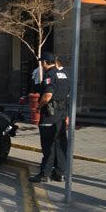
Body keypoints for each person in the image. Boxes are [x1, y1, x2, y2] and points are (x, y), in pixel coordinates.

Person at [29, 52, 70, 183]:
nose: (41, 64)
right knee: (60, 144)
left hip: (50, 115)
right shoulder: (64, 74)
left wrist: (39, 106)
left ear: (45, 62)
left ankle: (45, 174)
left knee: (48, 145)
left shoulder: (50, 75)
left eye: (42, 62)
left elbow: (48, 95)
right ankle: (60, 173)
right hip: (61, 114)